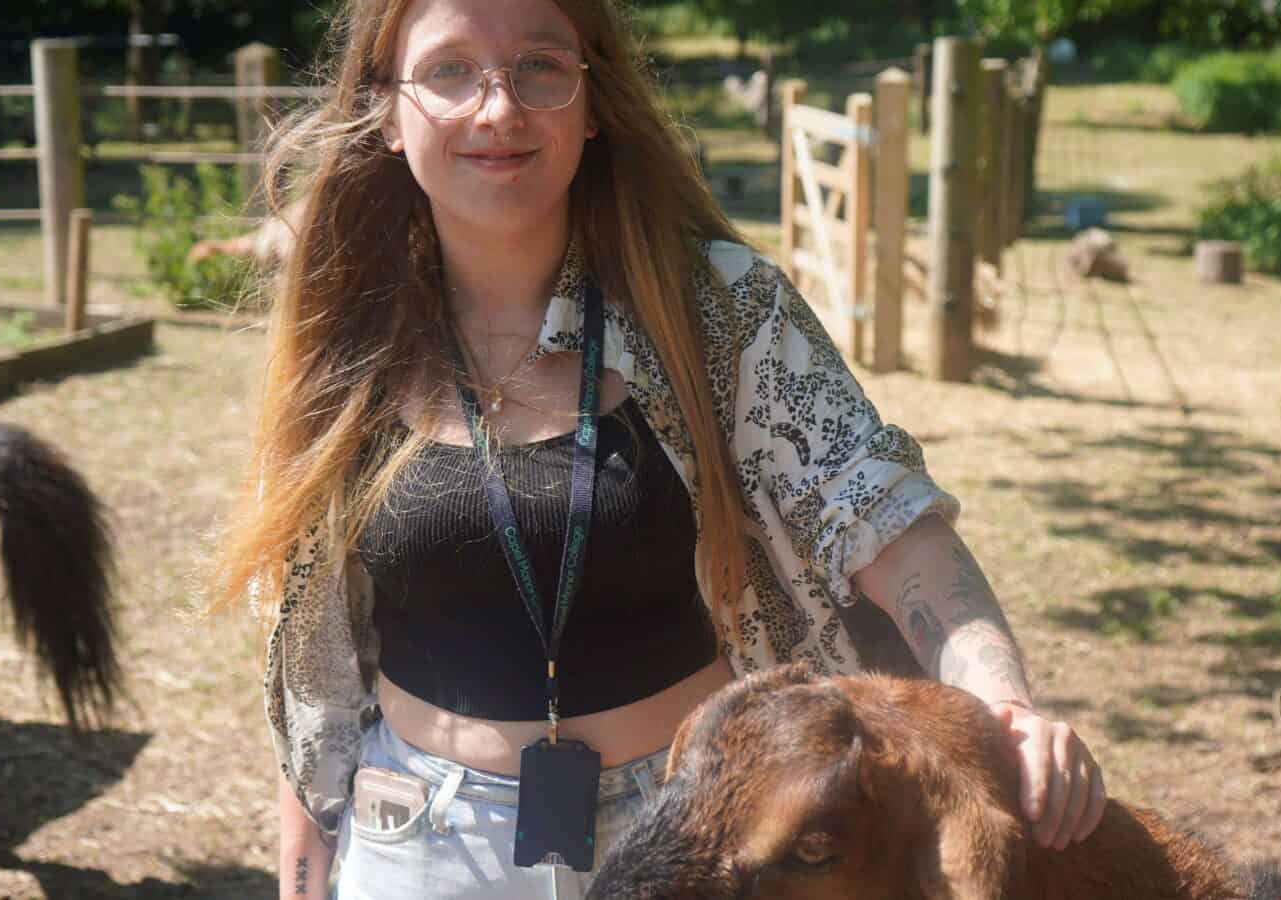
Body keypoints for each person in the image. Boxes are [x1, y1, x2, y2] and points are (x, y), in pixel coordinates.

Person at [212, 0, 1106, 897]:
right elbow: (314, 661)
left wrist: (1005, 710)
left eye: (539, 66)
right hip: (417, 841)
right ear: (387, 110)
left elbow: (890, 524)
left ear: (593, 102)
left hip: (702, 835)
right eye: (449, 70)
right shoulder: (344, 330)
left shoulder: (718, 309)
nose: (499, 108)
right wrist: (303, 873)